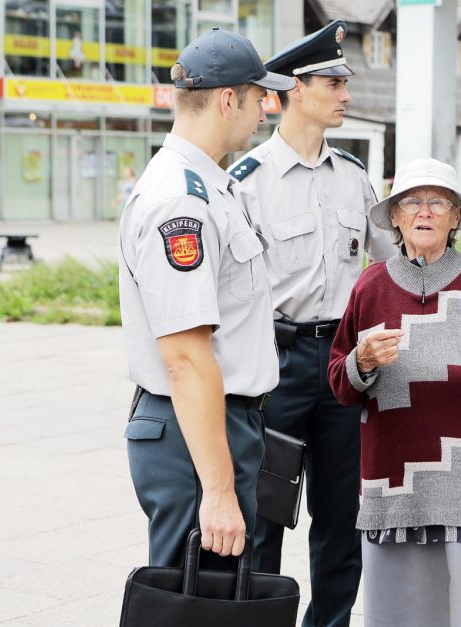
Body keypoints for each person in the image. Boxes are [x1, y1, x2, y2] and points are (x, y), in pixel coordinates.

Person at [328, 158, 461, 627]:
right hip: (394, 488)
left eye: (437, 202)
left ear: (454, 218)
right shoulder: (370, 286)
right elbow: (341, 384)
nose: (423, 212)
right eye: (411, 202)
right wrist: (362, 362)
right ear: (394, 217)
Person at [227, 20, 395, 627]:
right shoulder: (246, 183)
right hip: (275, 363)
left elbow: (390, 266)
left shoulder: (354, 178)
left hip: (343, 366)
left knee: (342, 517)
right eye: (334, 82)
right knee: (264, 512)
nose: (346, 94)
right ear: (296, 89)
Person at [118, 28, 294, 569]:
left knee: (214, 598)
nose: (266, 111)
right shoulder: (183, 201)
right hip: (196, 434)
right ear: (226, 100)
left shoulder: (207, 182)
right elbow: (187, 358)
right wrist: (218, 490)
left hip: (213, 426)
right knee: (195, 601)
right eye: (259, 97)